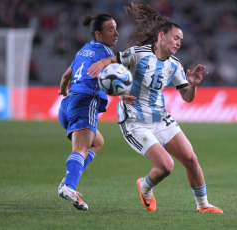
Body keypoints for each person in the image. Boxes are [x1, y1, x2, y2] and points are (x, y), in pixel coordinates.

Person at [88, 3, 222, 213]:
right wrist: (117, 87)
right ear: (161, 36)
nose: (178, 43)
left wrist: (193, 85)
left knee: (191, 159)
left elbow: (187, 97)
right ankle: (145, 185)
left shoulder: (175, 65)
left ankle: (203, 205)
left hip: (160, 118)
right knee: (166, 166)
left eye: (181, 40)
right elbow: (112, 66)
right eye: (175, 38)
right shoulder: (138, 54)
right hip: (134, 122)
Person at [57, 13, 118, 211]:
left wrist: (63, 89)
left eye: (116, 28)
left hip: (67, 105)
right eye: (111, 29)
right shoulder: (106, 54)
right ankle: (69, 187)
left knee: (97, 142)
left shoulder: (83, 50)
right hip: (85, 103)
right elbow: (118, 71)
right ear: (99, 34)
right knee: (81, 149)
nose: (116, 33)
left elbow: (66, 75)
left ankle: (69, 178)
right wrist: (124, 93)